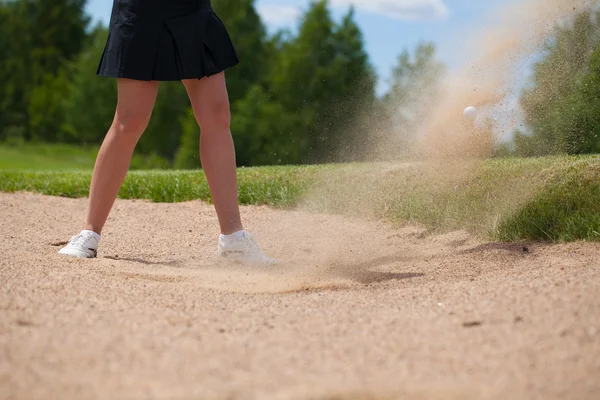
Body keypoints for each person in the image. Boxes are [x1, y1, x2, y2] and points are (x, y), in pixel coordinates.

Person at [58, 0, 274, 265]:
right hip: (140, 8)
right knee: (130, 120)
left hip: (190, 9)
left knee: (216, 116)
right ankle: (88, 234)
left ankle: (234, 239)